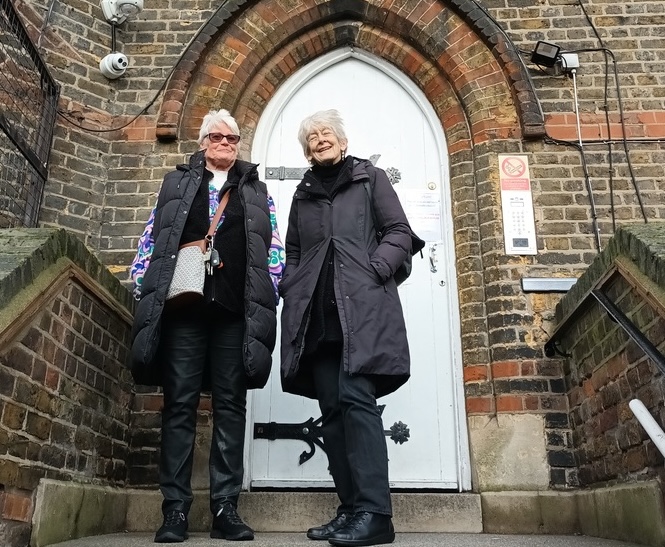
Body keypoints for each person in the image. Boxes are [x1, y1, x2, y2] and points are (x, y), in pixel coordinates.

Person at [129, 109, 284, 543]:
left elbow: (272, 245)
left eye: (233, 139)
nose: (225, 144)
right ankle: (175, 510)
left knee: (231, 407)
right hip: (184, 312)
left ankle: (225, 508)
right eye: (217, 137)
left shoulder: (255, 190)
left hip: (235, 314)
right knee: (179, 405)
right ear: (202, 142)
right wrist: (145, 284)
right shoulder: (177, 183)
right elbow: (152, 237)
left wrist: (269, 289)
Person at [279, 109, 415, 547]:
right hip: (316, 315)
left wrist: (375, 269)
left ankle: (376, 513)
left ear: (340, 139)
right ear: (306, 150)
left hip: (361, 309)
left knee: (357, 402)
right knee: (333, 412)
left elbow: (399, 232)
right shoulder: (303, 194)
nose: (319, 140)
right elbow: (295, 251)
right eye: (311, 137)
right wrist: (291, 286)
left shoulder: (369, 178)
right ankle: (351, 509)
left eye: (325, 134)